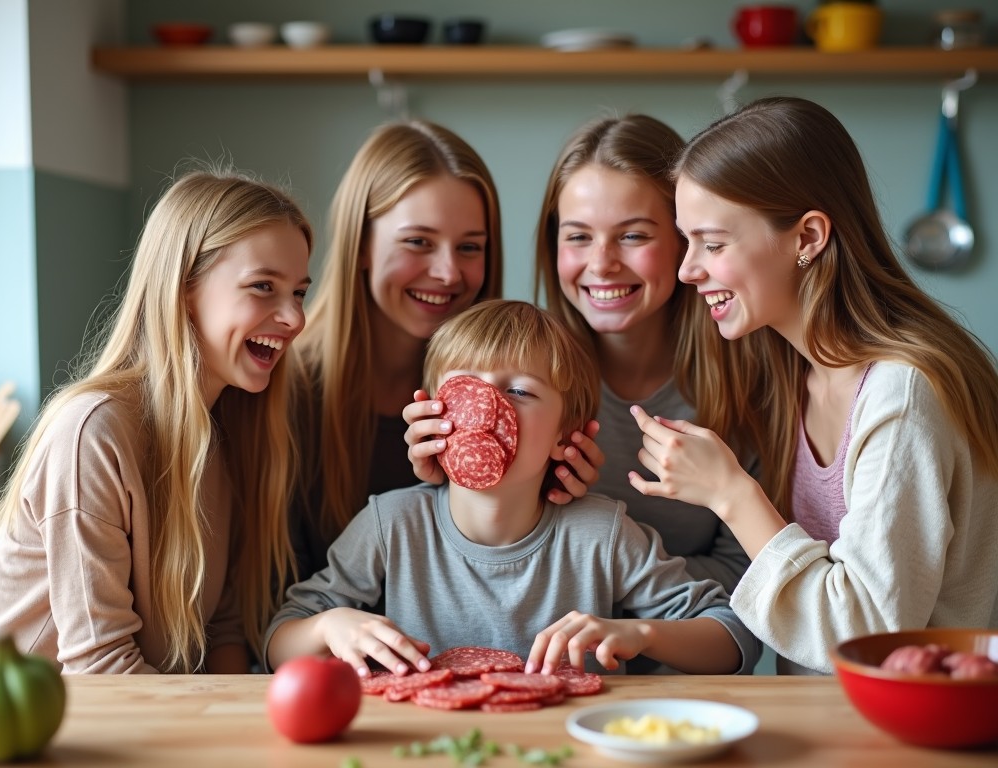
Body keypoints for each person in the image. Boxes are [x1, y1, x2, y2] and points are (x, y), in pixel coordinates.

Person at [628, 96, 998, 674]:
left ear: (808, 237)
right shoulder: (798, 372)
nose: (687, 269)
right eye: (687, 240)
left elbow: (870, 639)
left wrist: (730, 493)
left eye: (714, 243)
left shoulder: (902, 395)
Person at [266, 300, 760, 678]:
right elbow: (277, 642)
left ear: (567, 433)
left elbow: (735, 637)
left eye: (519, 392)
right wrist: (328, 626)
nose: (484, 411)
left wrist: (638, 632)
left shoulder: (601, 535)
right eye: (463, 387)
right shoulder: (390, 525)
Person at [0, 169, 313, 673]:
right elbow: (101, 670)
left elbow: (220, 625)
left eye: (300, 292)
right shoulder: (92, 432)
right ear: (182, 290)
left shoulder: (227, 428)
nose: (294, 318)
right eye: (263, 286)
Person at [405, 115, 750, 593]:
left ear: (683, 240)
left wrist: (604, 559)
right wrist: (451, 485)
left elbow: (746, 576)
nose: (602, 264)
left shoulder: (747, 382)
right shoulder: (516, 381)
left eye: (633, 235)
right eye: (578, 236)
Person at [289, 120, 601, 583]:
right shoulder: (285, 388)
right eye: (418, 241)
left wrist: (539, 495)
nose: (448, 272)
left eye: (470, 247)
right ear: (361, 245)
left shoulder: (518, 391)